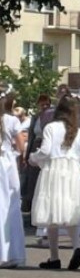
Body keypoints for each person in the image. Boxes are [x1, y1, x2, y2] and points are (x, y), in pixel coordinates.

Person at [29, 94, 80, 270]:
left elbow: (45, 151)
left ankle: (54, 257)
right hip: (73, 171)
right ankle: (76, 246)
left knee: (52, 212)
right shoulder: (78, 131)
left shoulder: (51, 127)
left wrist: (33, 157)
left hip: (54, 170)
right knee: (70, 211)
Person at [0, 93, 27, 268]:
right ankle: (11, 252)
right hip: (6, 162)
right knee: (11, 205)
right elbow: (21, 146)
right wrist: (18, 154)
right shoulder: (12, 120)